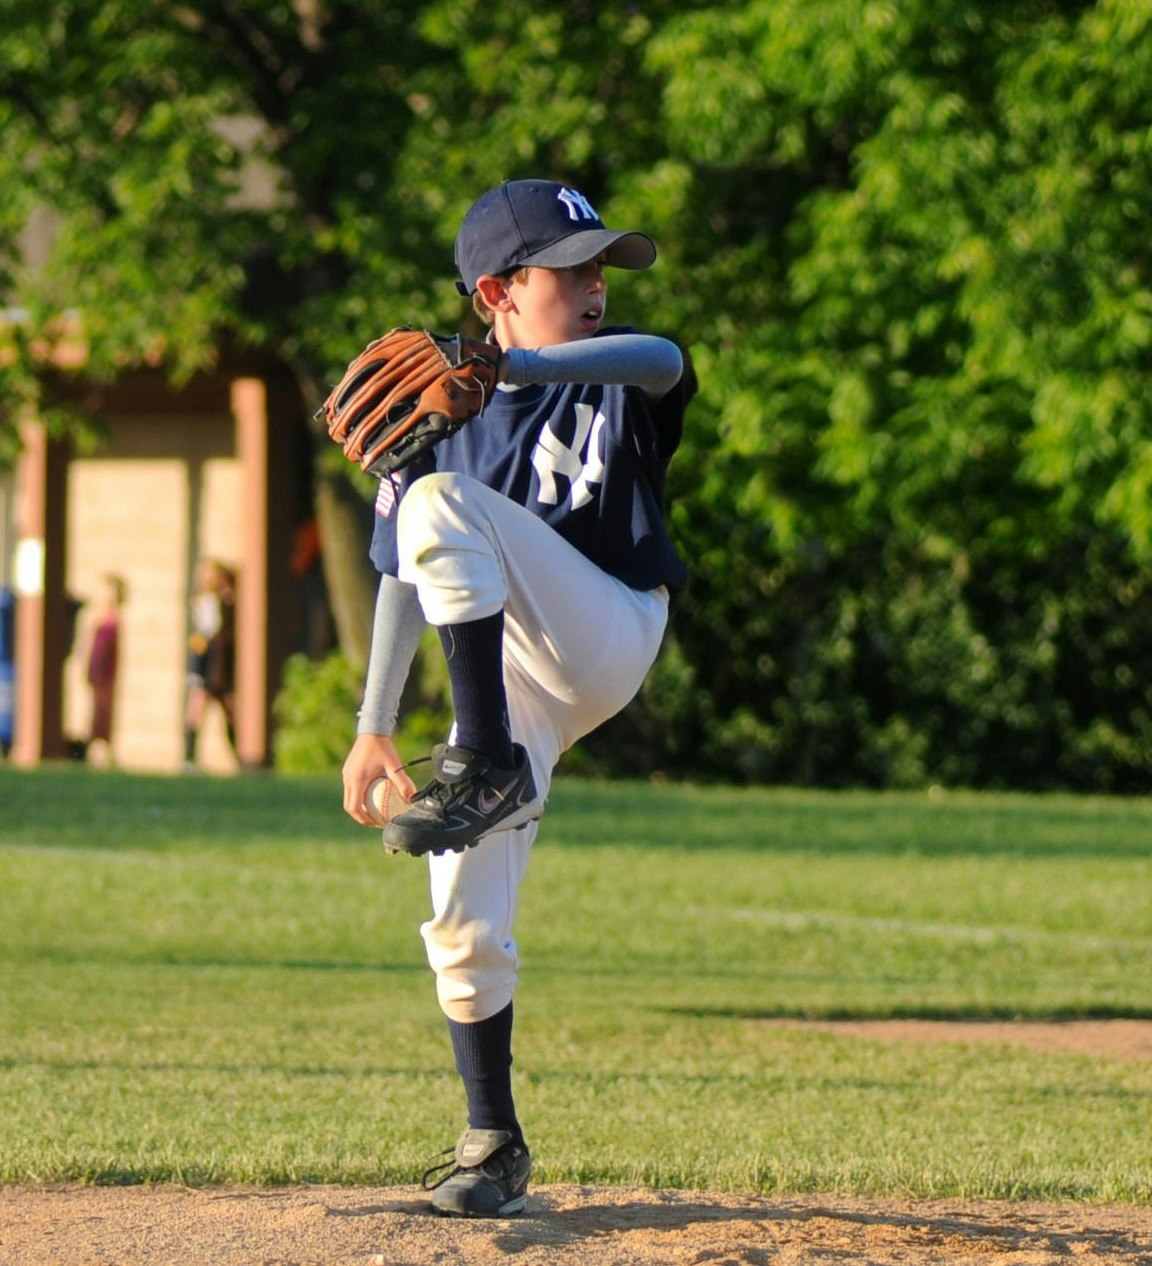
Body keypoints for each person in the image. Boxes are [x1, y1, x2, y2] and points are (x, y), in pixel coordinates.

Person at [338, 178, 694, 1217]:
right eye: (571, 269)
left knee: (446, 502)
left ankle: (484, 762)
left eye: (600, 269)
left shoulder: (612, 371)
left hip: (608, 628)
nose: (595, 286)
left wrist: (516, 366)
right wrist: (372, 730)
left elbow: (664, 360)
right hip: (508, 679)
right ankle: (492, 1139)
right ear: (496, 286)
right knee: (458, 914)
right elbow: (403, 569)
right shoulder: (435, 424)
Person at [184, 560, 236, 770]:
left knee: (228, 711)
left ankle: (238, 757)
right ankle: (189, 758)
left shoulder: (223, 603)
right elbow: (207, 634)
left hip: (218, 664)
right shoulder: (209, 604)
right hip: (210, 663)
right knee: (197, 710)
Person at [84, 574, 127, 767]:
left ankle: (101, 753)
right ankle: (93, 752)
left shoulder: (111, 619)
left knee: (104, 713)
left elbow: (102, 650)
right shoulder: (107, 618)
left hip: (105, 675)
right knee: (100, 713)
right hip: (102, 675)